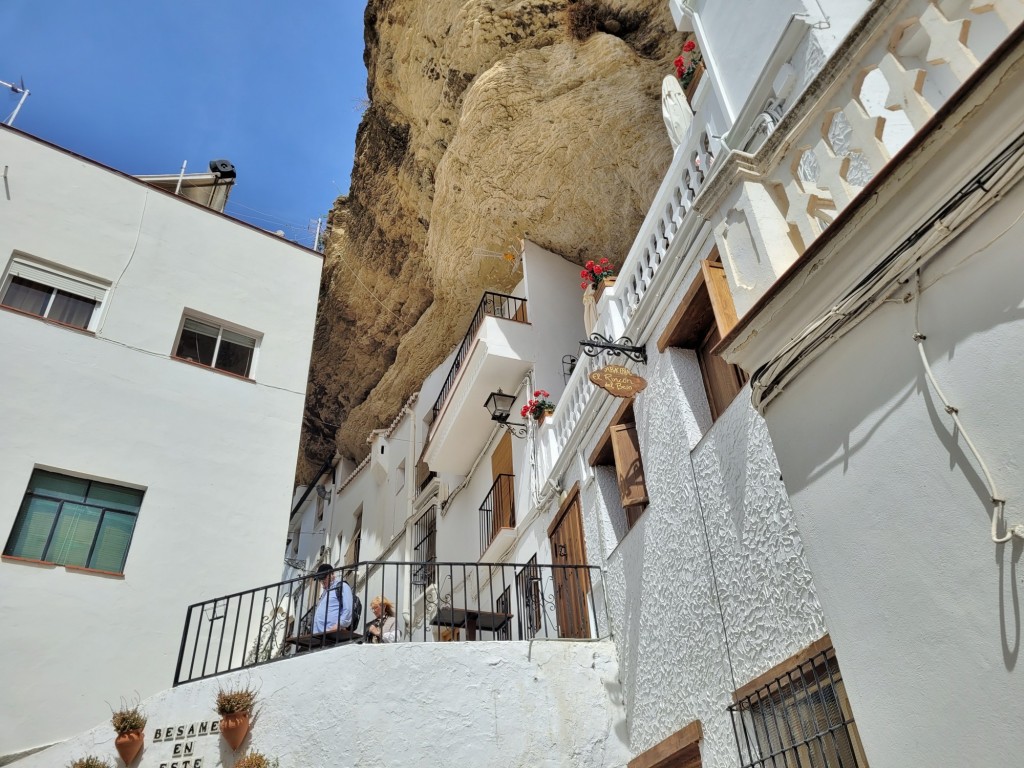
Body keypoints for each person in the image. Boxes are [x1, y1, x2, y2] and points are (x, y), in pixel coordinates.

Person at [311, 563, 353, 636]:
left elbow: (348, 609)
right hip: (319, 634)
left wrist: (339, 625)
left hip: (332, 632)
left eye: (324, 578)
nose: (322, 581)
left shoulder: (342, 586)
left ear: (332, 574)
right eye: (320, 579)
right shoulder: (325, 593)